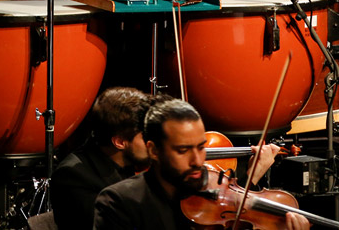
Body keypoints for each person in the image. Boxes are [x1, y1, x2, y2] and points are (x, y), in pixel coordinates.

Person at [92, 98, 310, 230]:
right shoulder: (118, 201)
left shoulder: (211, 195)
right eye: (183, 150)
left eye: (201, 147)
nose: (198, 161)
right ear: (154, 150)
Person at [50, 87, 151, 229]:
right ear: (120, 142)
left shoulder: (130, 163)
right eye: (146, 137)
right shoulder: (73, 178)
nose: (154, 144)